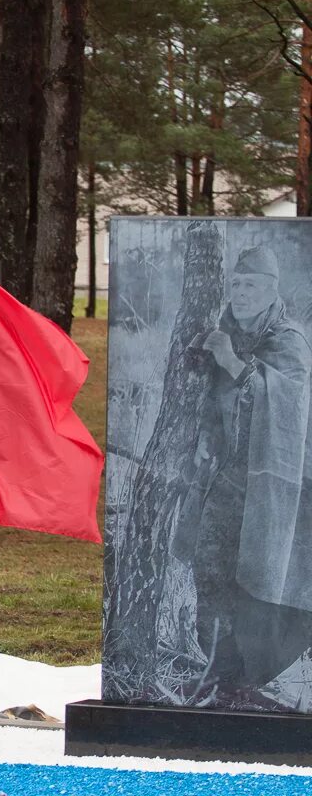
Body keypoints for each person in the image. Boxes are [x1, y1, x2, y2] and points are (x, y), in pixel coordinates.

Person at [178, 245, 312, 705]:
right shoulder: (226, 326)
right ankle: (218, 669)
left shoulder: (288, 339)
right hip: (225, 475)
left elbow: (286, 407)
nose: (240, 292)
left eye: (251, 284)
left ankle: (245, 676)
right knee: (209, 567)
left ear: (272, 289)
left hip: (273, 484)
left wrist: (231, 361)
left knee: (258, 578)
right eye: (236, 283)